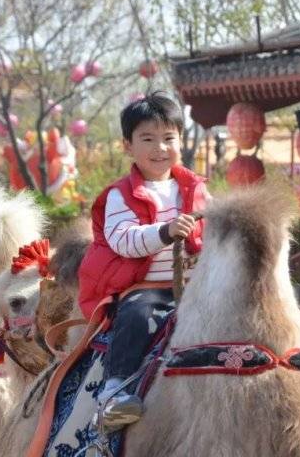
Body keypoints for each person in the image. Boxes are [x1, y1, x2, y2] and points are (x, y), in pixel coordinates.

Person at [78, 93, 209, 430]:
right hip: (146, 286)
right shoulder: (120, 195)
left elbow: (213, 230)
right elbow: (123, 239)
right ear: (128, 145)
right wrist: (165, 231)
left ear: (180, 140)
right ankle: (114, 391)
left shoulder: (196, 189)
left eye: (168, 138)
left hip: (194, 286)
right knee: (136, 314)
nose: (160, 148)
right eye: (148, 139)